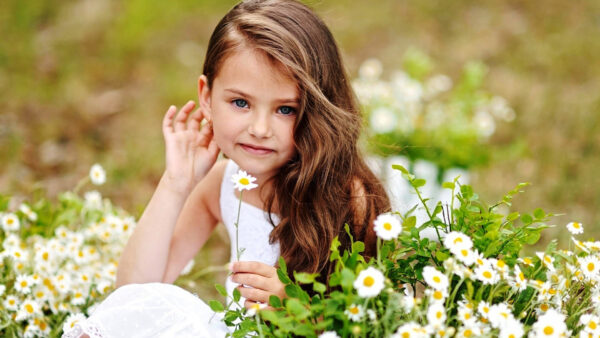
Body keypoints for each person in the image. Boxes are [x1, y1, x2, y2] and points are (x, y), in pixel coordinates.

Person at [62, 0, 390, 336]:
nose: (260, 128)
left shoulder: (345, 195)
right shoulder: (223, 182)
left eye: (286, 109)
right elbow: (132, 293)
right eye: (240, 103)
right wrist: (176, 183)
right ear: (207, 96)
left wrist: (291, 304)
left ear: (319, 108)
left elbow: (365, 318)